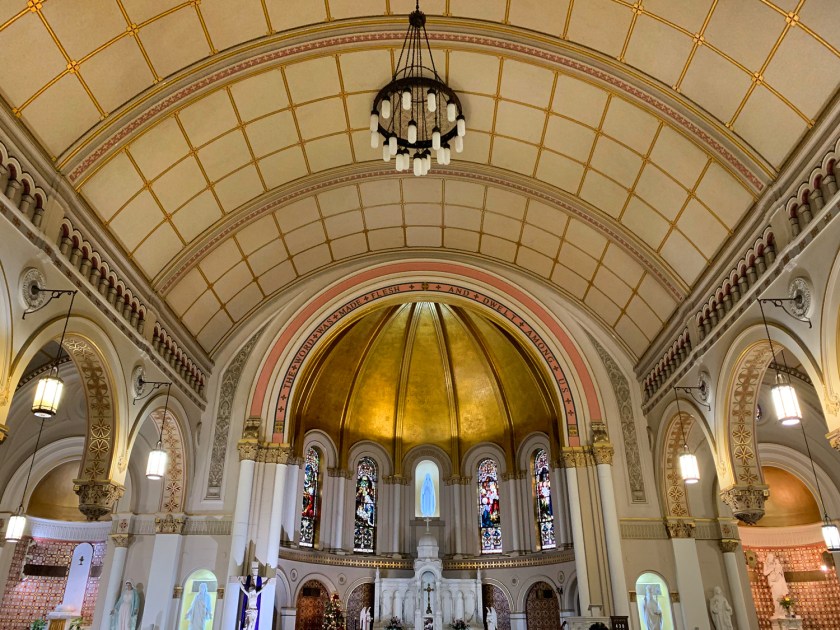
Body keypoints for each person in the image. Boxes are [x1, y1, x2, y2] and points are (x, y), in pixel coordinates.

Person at [763, 552, 790, 618]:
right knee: (777, 596)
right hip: (774, 583)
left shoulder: (776, 563)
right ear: (768, 558)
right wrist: (771, 569)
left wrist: (778, 569)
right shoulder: (766, 564)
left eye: (773, 557)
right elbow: (765, 573)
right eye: (771, 557)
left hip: (779, 581)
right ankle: (778, 611)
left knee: (782, 595)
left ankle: (784, 610)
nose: (772, 559)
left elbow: (780, 573)